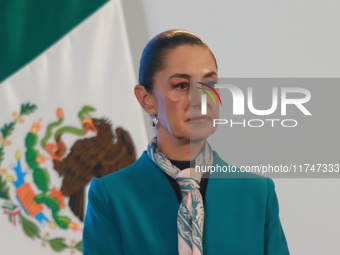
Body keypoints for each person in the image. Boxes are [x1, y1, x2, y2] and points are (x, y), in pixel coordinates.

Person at [83, 29, 290, 255]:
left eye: (209, 84)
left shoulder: (256, 192)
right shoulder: (112, 196)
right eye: (182, 85)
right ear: (146, 99)